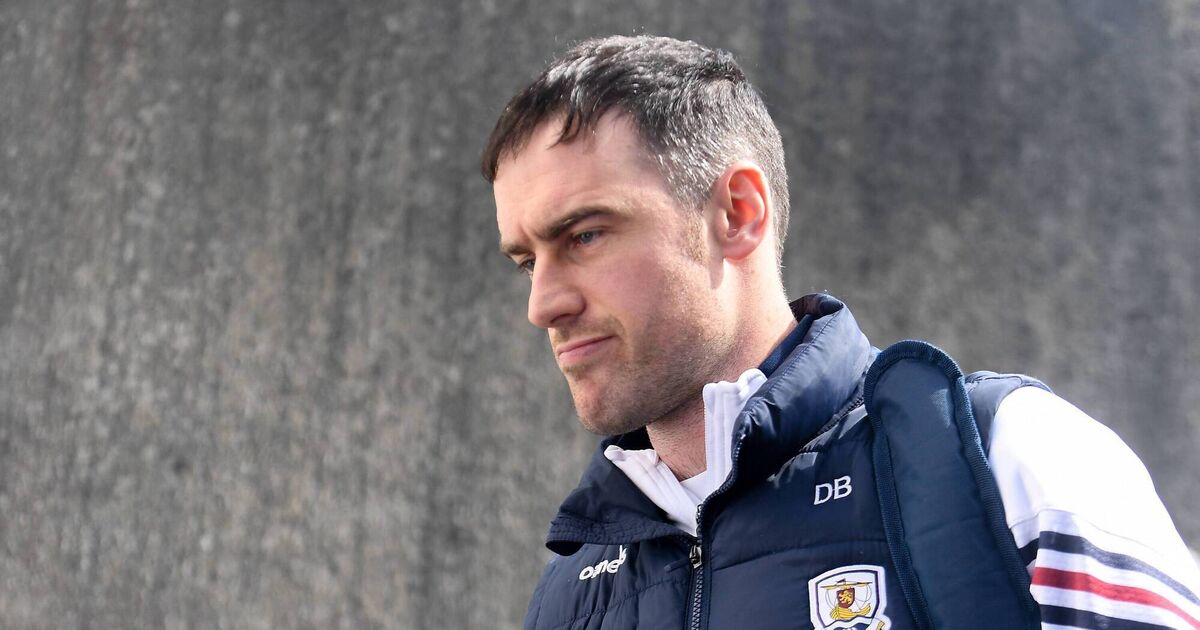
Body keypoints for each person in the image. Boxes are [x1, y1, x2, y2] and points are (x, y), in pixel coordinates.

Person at [482, 35, 1200, 630]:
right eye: (528, 262)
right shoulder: (569, 595)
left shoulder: (1004, 457)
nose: (542, 305)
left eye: (584, 235)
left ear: (737, 213)